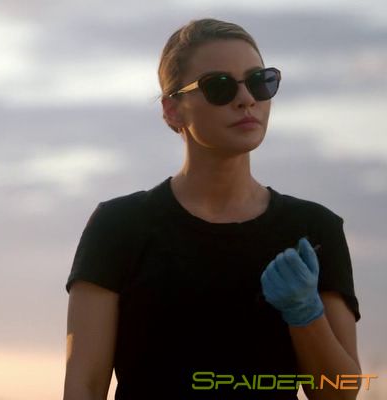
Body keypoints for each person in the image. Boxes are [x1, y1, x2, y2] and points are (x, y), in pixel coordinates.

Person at [63, 18, 360, 400]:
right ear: (173, 110)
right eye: (219, 86)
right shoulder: (119, 225)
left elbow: (340, 394)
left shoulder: (313, 229)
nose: (246, 98)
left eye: (260, 81)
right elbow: (84, 386)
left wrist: (306, 315)